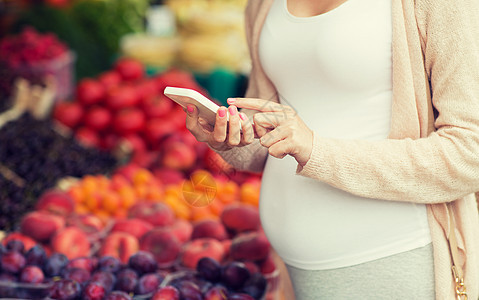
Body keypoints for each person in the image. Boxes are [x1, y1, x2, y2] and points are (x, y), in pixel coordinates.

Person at [184, 0, 479, 299]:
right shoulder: (261, 4)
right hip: (296, 267)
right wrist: (231, 137)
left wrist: (317, 151)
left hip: (393, 256)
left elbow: (470, 152)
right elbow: (266, 129)